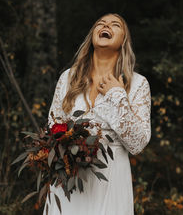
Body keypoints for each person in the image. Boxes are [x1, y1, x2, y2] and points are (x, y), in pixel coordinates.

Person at [43, 13, 151, 215]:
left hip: (111, 179)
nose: (106, 25)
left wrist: (117, 95)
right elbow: (52, 130)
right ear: (93, 35)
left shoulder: (138, 84)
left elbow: (138, 144)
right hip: (69, 180)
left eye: (115, 24)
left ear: (124, 40)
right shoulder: (68, 78)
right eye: (100, 23)